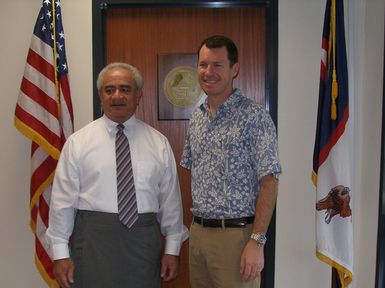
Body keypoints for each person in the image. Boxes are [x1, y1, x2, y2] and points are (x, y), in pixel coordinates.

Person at [46, 62, 188, 288]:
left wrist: (173, 249)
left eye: (125, 89)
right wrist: (60, 254)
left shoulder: (158, 143)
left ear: (138, 95)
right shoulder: (78, 143)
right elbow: (62, 203)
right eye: (109, 90)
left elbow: (170, 202)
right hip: (93, 244)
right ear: (100, 96)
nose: (117, 96)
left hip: (143, 246)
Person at [180, 35, 281, 288]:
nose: (208, 72)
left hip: (236, 238)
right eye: (203, 65)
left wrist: (257, 242)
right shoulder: (197, 118)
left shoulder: (254, 116)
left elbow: (269, 181)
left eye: (217, 65)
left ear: (234, 69)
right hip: (199, 235)